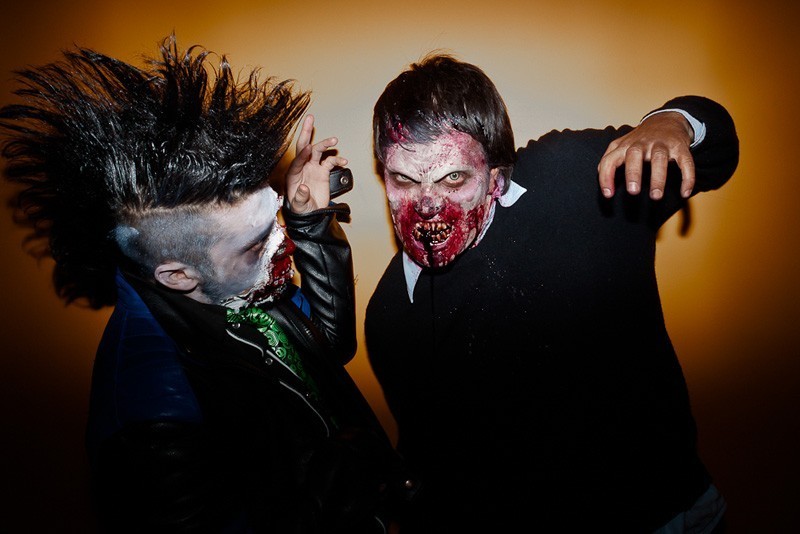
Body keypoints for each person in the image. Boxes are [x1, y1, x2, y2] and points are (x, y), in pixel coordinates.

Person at [0, 35, 412, 533]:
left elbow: (329, 345)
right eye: (255, 244)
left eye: (277, 220)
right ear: (177, 276)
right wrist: (335, 490)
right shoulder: (152, 415)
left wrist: (308, 219)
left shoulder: (231, 281)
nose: (281, 243)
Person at [365, 53, 739, 533]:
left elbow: (717, 152)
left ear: (496, 176)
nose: (427, 206)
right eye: (404, 179)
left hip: (673, 513)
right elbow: (438, 469)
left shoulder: (575, 177)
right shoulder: (394, 314)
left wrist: (672, 122)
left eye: (453, 177)